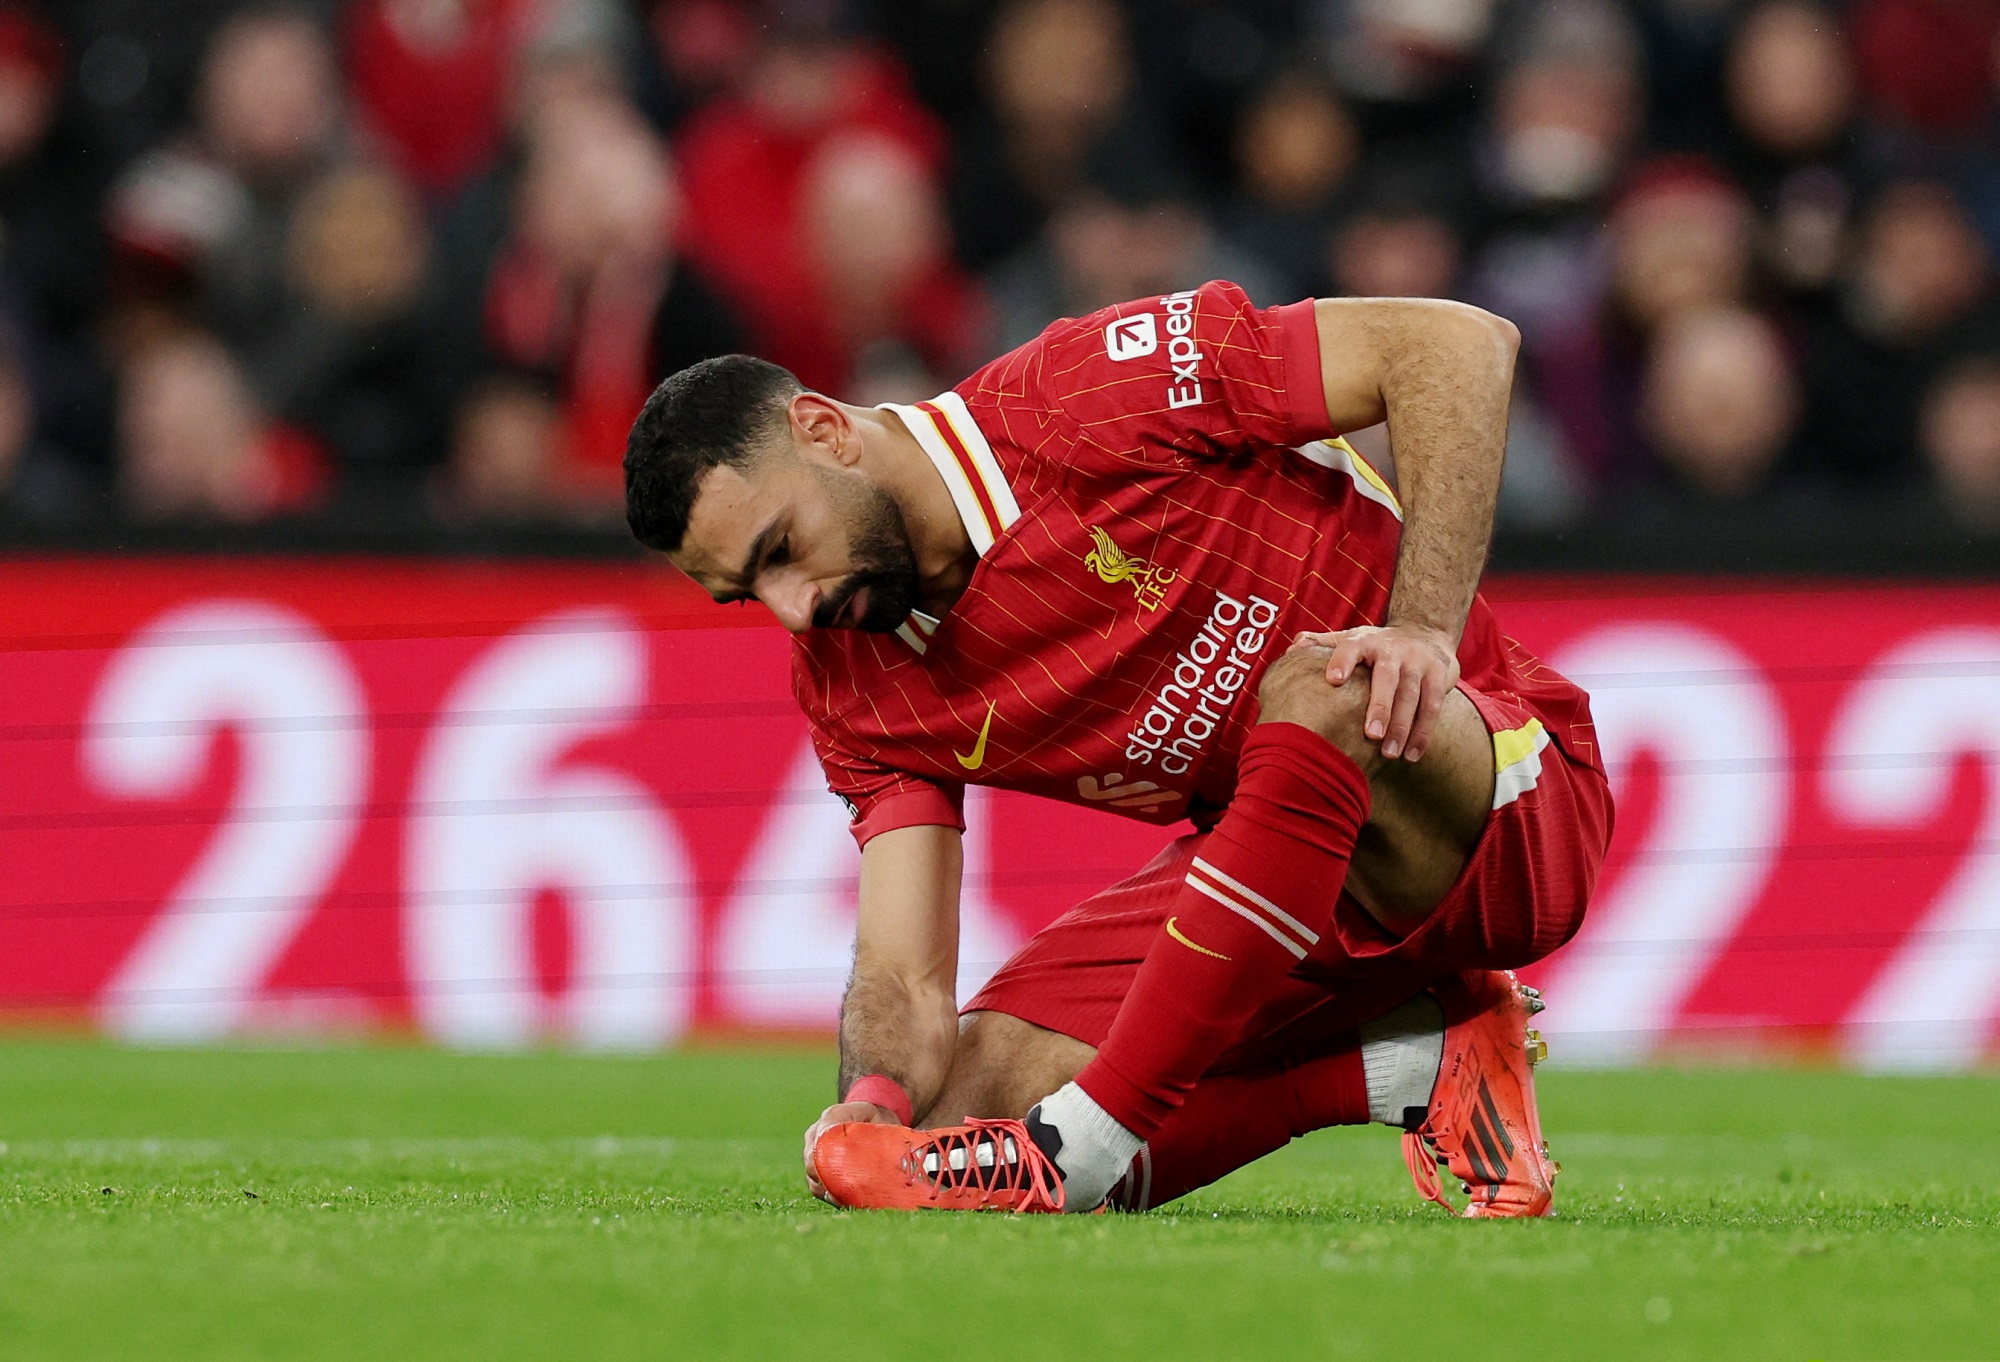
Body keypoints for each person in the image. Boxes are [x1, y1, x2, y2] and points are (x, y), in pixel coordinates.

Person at [623, 280, 1612, 1217]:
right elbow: (905, 974)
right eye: (747, 595)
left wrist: (1423, 630)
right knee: (944, 1140)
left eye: (780, 551)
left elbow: (1454, 345)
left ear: (825, 431)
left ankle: (1086, 1143)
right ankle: (1409, 1067)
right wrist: (869, 1106)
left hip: (1499, 811)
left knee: (1323, 687)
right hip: (1281, 889)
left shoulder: (1084, 394)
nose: (793, 609)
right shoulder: (850, 681)